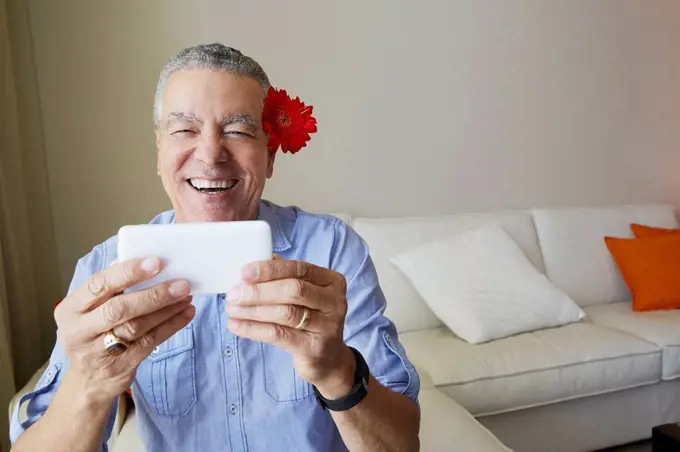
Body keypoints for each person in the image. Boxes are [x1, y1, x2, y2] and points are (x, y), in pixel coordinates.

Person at [9, 43, 420, 452]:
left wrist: (336, 370)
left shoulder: (332, 251)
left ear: (269, 155)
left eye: (238, 131)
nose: (210, 153)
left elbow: (403, 444)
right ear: (159, 151)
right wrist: (88, 386)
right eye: (184, 129)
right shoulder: (106, 271)